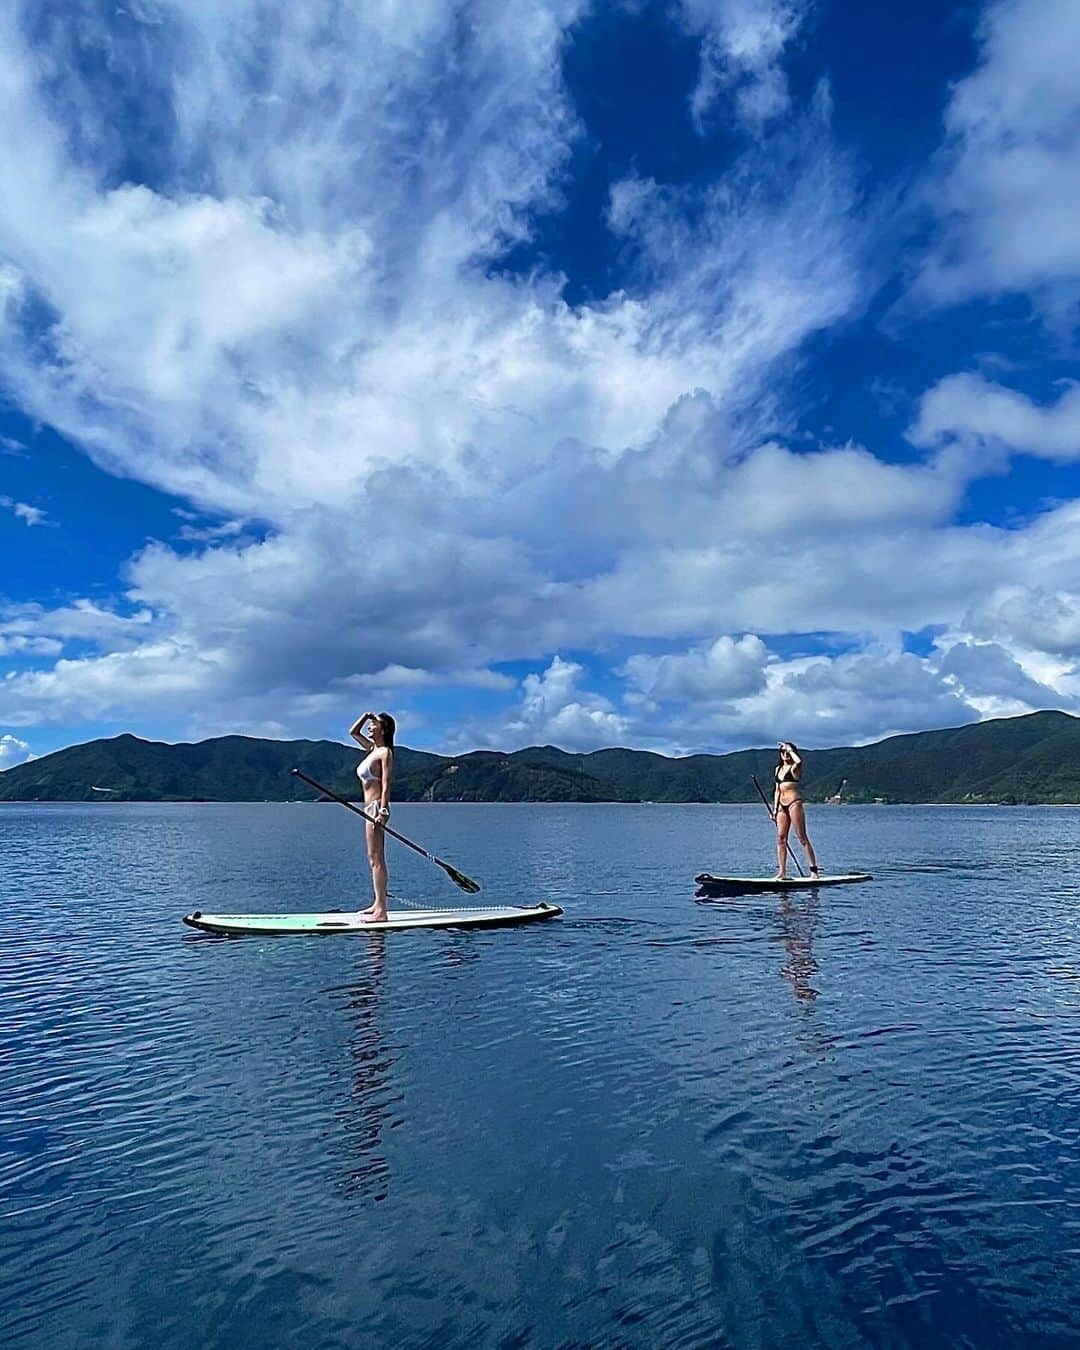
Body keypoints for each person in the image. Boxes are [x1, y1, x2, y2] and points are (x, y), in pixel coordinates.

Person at [348, 711, 396, 922]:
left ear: (383, 729)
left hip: (376, 808)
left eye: (374, 724)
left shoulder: (385, 753)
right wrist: (366, 716)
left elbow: (386, 784)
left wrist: (384, 811)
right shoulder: (371, 749)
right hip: (367, 809)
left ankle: (381, 911)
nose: (370, 726)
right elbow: (353, 732)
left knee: (377, 859)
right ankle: (377, 903)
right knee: (372, 858)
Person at [773, 741, 819, 880]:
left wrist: (790, 749)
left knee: (802, 837)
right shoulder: (777, 769)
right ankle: (782, 872)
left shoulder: (795, 768)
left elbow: (799, 761)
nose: (785, 754)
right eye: (783, 752)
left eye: (788, 752)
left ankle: (814, 871)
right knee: (781, 839)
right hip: (781, 805)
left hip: (794, 803)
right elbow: (777, 790)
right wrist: (774, 810)